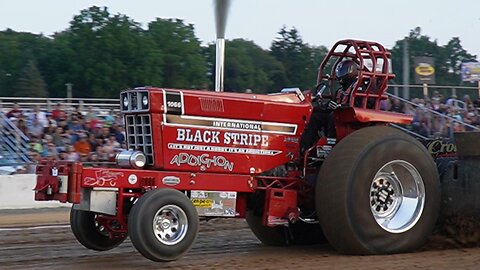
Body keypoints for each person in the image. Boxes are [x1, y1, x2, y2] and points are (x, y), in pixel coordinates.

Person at [299, 59, 359, 156]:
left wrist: (342, 107)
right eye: (339, 72)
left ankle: (331, 144)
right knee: (315, 115)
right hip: (339, 114)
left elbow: (360, 106)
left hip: (349, 117)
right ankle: (304, 147)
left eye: (342, 72)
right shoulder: (340, 91)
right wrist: (326, 106)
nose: (340, 75)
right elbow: (333, 103)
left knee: (333, 115)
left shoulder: (358, 88)